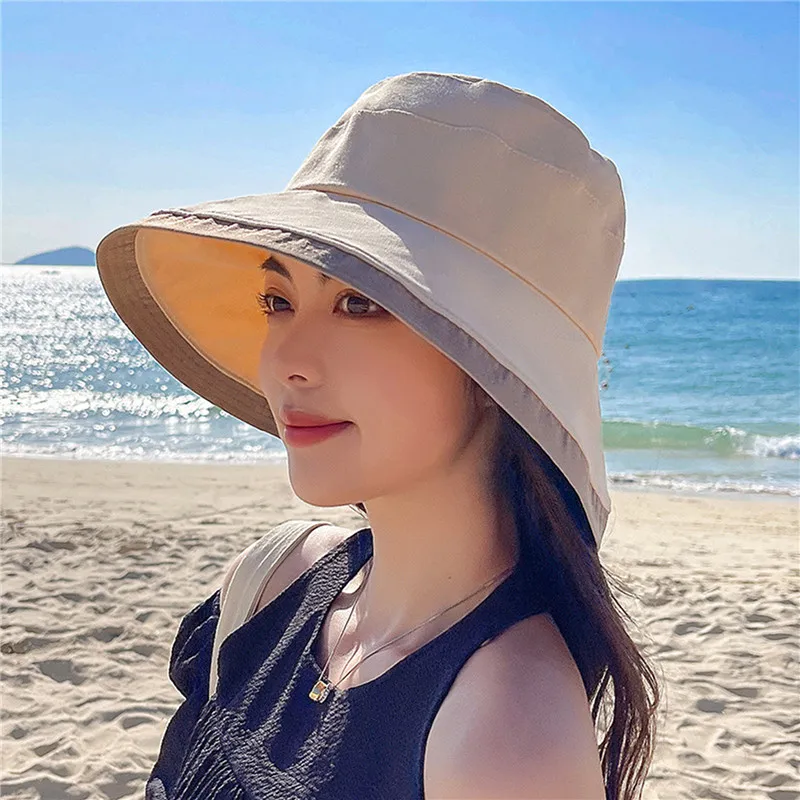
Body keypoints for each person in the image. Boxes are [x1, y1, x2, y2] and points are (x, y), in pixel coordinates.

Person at [96, 71, 660, 799]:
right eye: (277, 299)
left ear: (497, 368)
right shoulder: (273, 580)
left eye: (360, 304)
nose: (287, 362)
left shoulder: (505, 737)